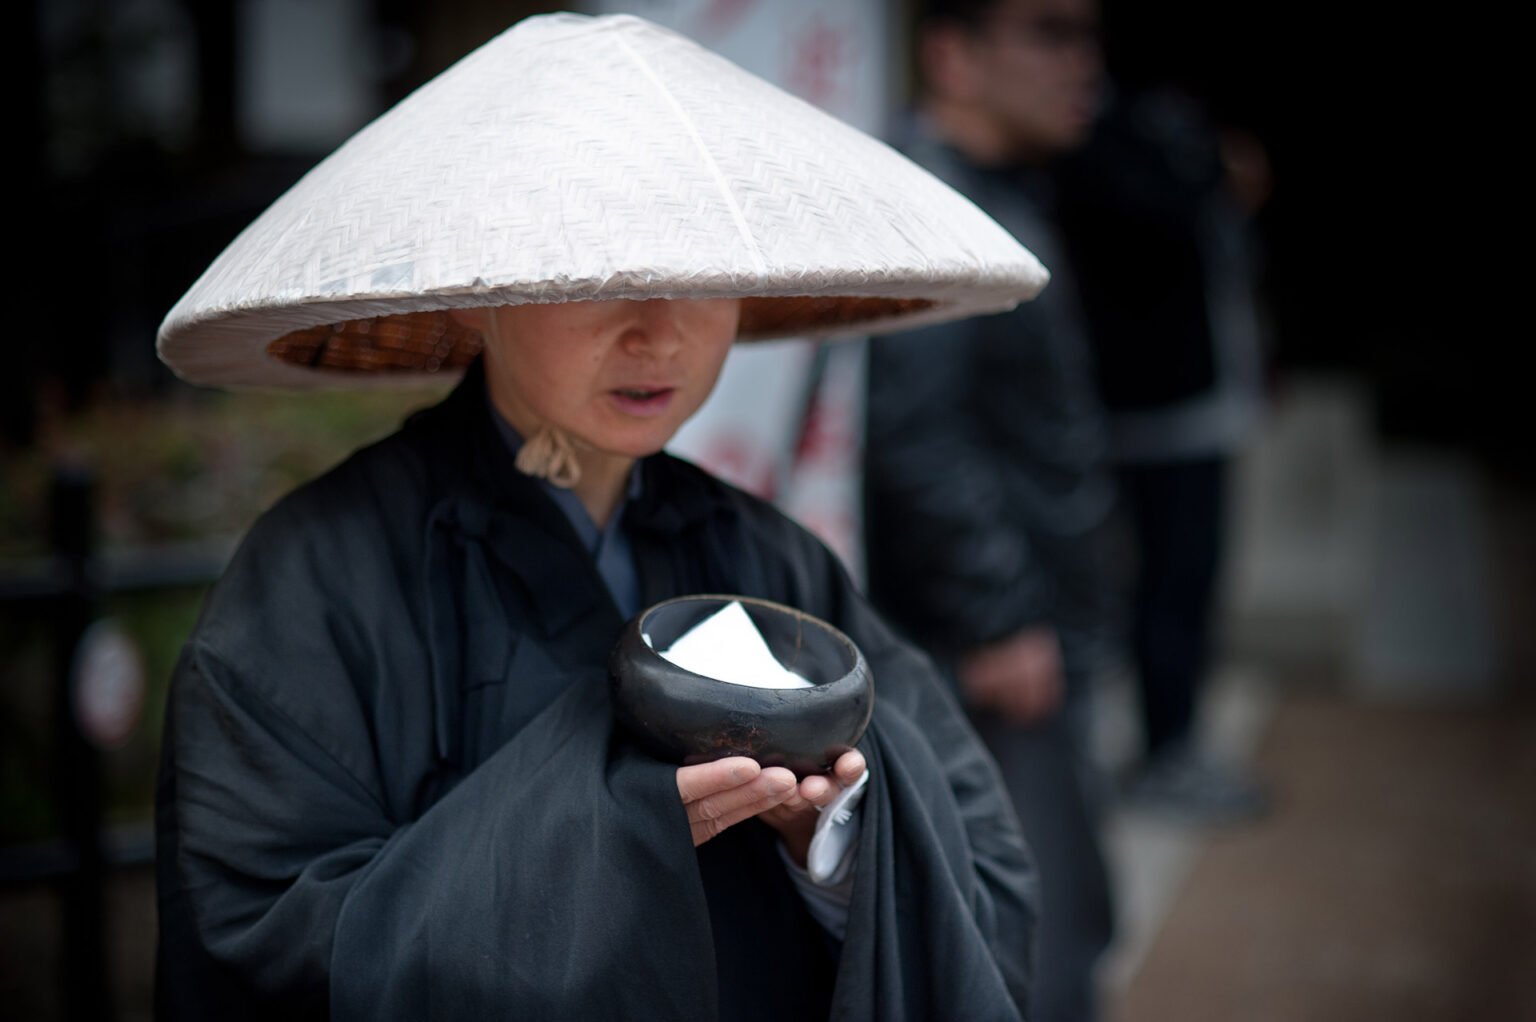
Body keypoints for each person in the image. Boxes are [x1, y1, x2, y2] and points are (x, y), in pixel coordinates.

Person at [153, 13, 1050, 1020]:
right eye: (600, 276)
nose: (657, 332)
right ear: (481, 292)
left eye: (699, 276)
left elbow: (982, 859)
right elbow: (260, 940)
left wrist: (833, 843)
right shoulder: (322, 576)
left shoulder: (768, 557)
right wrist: (613, 825)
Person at [863, 1, 1115, 1019]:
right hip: (990, 652)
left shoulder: (995, 191)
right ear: (952, 52)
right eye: (1049, 30)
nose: (1081, 62)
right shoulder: (931, 205)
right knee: (1030, 939)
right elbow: (915, 432)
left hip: (1030, 626)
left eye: (1089, 33)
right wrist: (998, 614)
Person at [1055, 84, 1271, 821]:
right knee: (1159, 586)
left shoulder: (1165, 131)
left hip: (1199, 402)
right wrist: (1213, 172)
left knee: (1183, 585)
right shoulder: (1117, 139)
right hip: (1150, 410)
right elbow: (1141, 235)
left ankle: (1168, 746)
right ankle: (1160, 753)